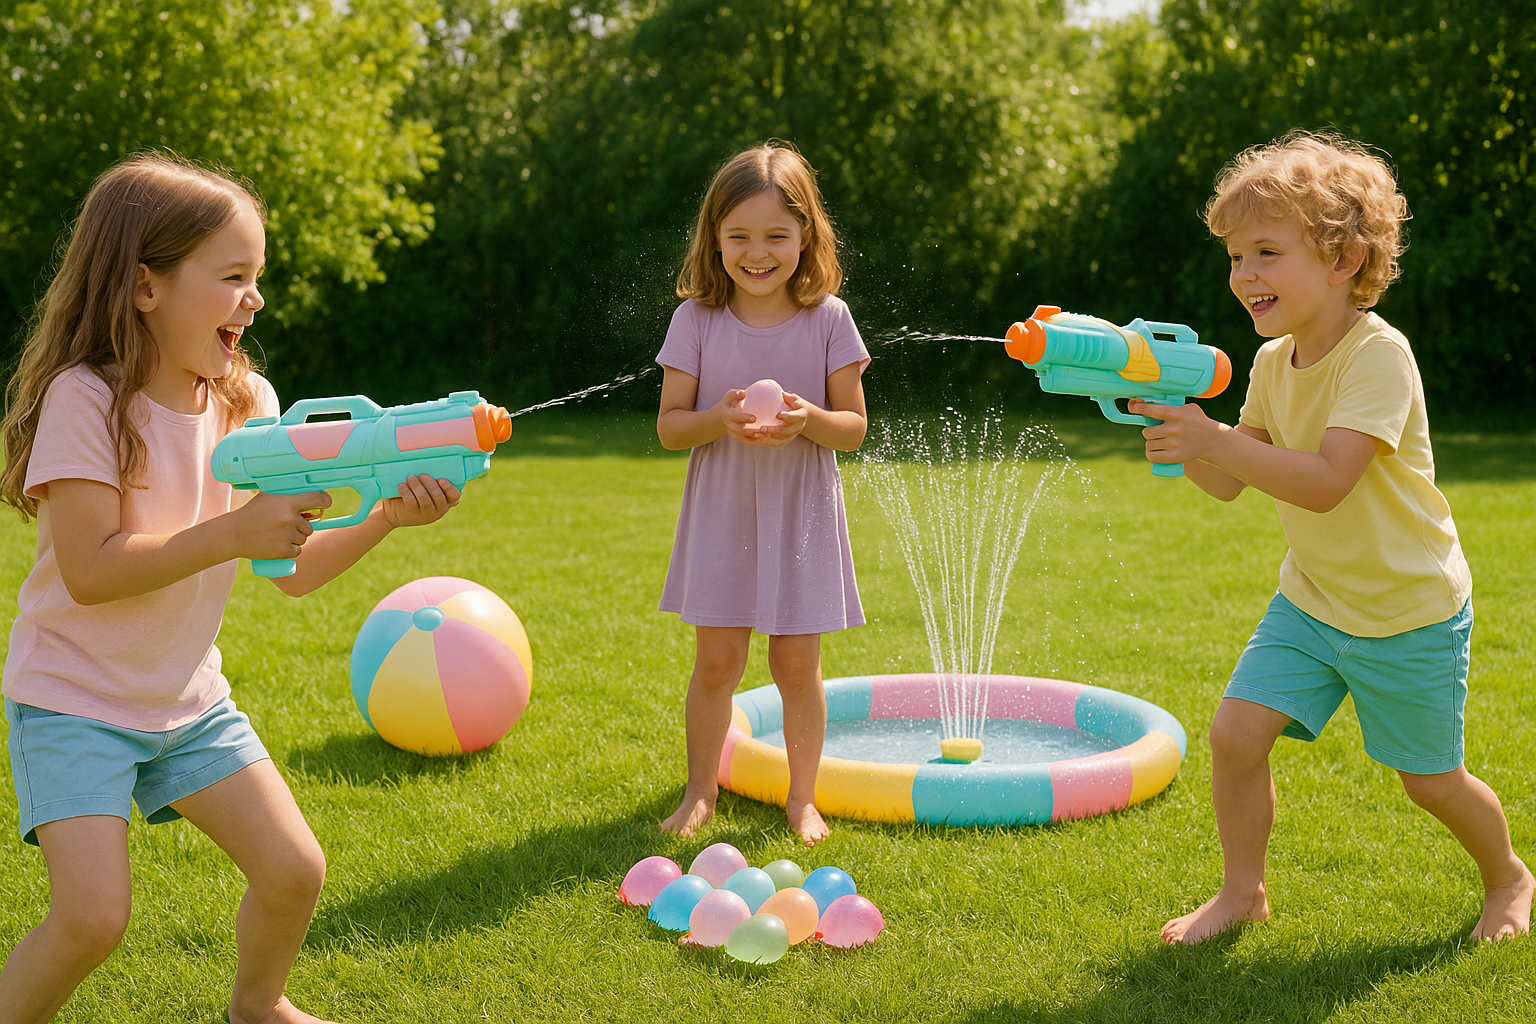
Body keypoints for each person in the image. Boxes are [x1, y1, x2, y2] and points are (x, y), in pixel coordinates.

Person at [0, 153, 462, 1024]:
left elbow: (288, 570)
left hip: (187, 702)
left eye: (259, 278)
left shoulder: (248, 403)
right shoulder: (86, 399)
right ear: (145, 287)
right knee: (92, 919)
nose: (255, 298)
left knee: (296, 871)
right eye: (234, 277)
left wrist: (386, 519)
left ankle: (259, 1007)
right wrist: (228, 533)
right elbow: (94, 569)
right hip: (72, 700)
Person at [1131, 130, 1532, 945]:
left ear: (1344, 260)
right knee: (1234, 737)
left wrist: (1217, 443)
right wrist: (1179, 434)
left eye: (1267, 253)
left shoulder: (1378, 356)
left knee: (1429, 781)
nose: (1245, 274)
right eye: (1238, 257)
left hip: (1406, 609)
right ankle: (1242, 892)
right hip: (1312, 601)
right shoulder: (1274, 363)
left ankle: (1510, 878)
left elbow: (1324, 482)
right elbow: (1233, 476)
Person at [654, 143, 869, 846]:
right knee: (718, 662)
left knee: (795, 666)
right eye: (739, 236)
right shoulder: (697, 320)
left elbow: (854, 428)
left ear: (806, 235)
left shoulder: (829, 317)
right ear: (714, 238)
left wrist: (810, 420)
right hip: (724, 515)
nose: (757, 252)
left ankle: (802, 799)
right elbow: (669, 428)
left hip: (799, 517)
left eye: (776, 235)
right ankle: (698, 790)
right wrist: (718, 416)